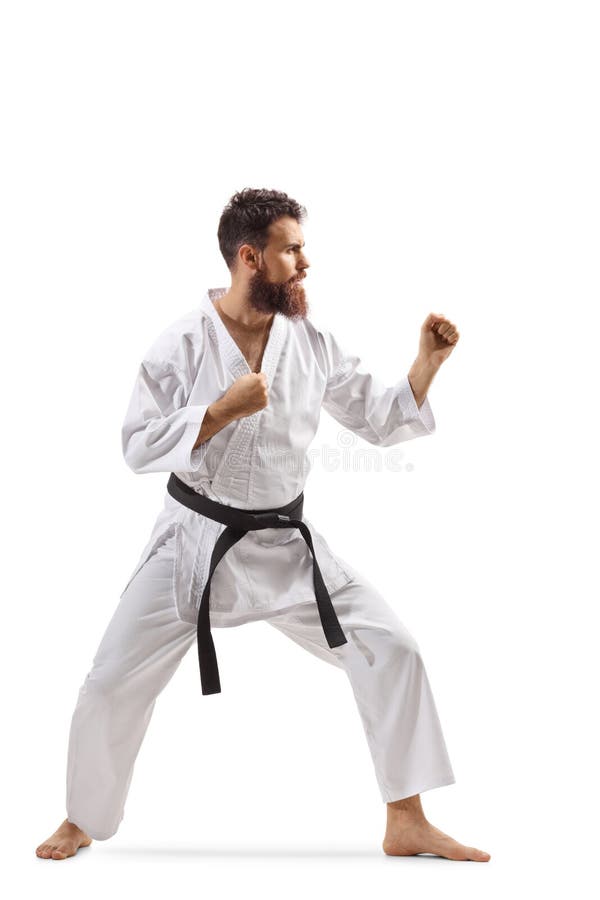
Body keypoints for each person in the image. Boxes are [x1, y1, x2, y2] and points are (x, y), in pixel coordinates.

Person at [36, 188, 490, 862]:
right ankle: (81, 818)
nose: (304, 262)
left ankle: (406, 818)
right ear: (250, 257)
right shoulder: (182, 343)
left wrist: (426, 365)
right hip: (194, 548)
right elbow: (136, 443)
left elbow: (377, 415)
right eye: (291, 249)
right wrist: (219, 411)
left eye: (301, 248)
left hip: (286, 546)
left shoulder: (310, 342)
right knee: (108, 683)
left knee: (393, 648)